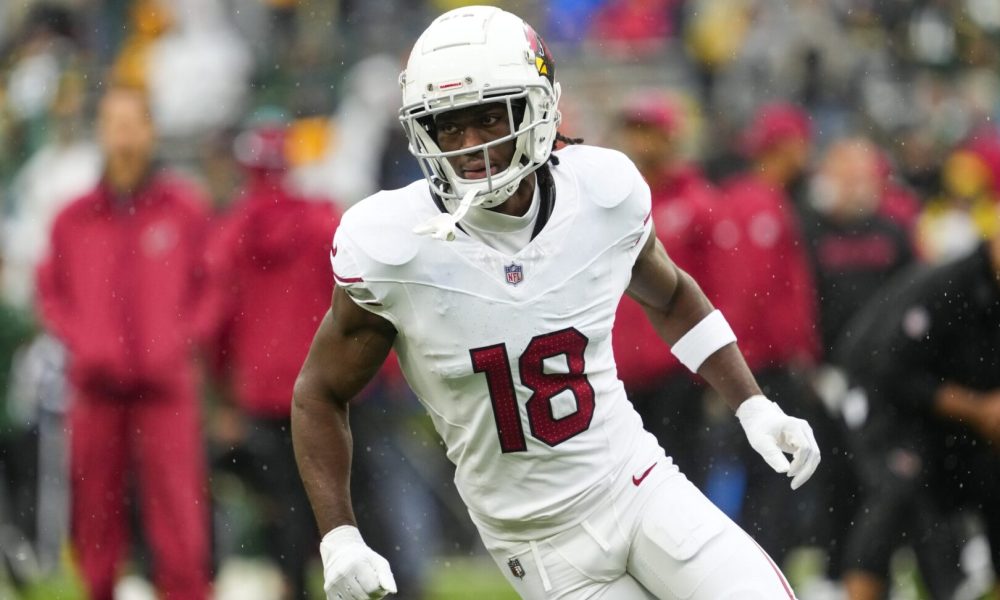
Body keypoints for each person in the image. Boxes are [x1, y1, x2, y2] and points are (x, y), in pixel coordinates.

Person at [292, 7, 820, 600]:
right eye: (449, 125)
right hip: (540, 541)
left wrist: (753, 406)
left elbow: (671, 295)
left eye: (490, 117)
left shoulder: (600, 192)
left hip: (637, 484)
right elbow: (319, 392)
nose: (472, 146)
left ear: (538, 108)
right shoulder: (392, 245)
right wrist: (339, 536)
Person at [35, 85, 212, 600]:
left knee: (178, 509)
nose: (124, 136)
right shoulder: (72, 218)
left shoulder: (183, 209)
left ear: (151, 130)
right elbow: (53, 292)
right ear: (100, 131)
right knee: (93, 509)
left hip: (167, 385)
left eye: (133, 123)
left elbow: (211, 285)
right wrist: (85, 342)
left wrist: (180, 340)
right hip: (94, 386)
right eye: (114, 123)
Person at [206, 118, 341, 598]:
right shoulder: (324, 222)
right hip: (325, 388)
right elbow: (353, 302)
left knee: (278, 503)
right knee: (332, 500)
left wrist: (224, 395)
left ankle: (292, 585)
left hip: (261, 392)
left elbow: (216, 324)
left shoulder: (231, 233)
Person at [835, 207, 1000, 599]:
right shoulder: (948, 284)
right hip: (881, 399)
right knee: (899, 489)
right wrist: (979, 409)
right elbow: (891, 369)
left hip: (948, 413)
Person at [611, 92, 719, 486]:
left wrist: (709, 366)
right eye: (633, 131)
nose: (639, 142)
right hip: (621, 373)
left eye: (648, 131)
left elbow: (716, 287)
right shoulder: (611, 202)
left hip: (677, 370)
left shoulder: (698, 203)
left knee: (683, 479)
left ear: (670, 137)